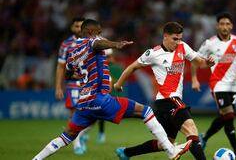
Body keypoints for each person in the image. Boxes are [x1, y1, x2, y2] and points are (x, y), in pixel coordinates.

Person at [33, 19, 192, 160]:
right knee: (146, 111)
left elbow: (68, 73)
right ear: (90, 32)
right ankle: (170, 150)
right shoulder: (91, 42)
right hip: (100, 99)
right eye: (99, 32)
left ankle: (37, 158)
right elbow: (97, 43)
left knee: (66, 137)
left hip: (83, 104)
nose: (101, 35)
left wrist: (82, 75)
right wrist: (115, 44)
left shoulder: (73, 51)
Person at [113, 21, 215, 160]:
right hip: (168, 100)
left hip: (166, 103)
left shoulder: (183, 47)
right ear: (165, 36)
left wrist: (207, 63)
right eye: (175, 39)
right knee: (191, 130)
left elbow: (200, 63)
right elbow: (133, 67)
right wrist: (119, 84)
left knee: (166, 143)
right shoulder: (153, 53)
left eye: (180, 39)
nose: (178, 42)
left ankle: (126, 153)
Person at [191, 12, 236, 159]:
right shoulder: (210, 43)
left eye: (227, 24)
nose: (225, 27)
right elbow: (195, 60)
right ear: (217, 26)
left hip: (233, 85)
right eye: (222, 24)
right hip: (217, 84)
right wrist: (194, 79)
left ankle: (204, 137)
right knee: (229, 115)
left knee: (225, 117)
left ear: (231, 26)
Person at [54, 17, 87, 154]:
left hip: (89, 83)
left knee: (90, 114)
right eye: (76, 26)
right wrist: (58, 87)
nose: (79, 29)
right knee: (74, 112)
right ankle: (77, 144)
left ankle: (81, 134)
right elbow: (61, 66)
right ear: (72, 28)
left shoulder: (92, 42)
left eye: (81, 26)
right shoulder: (66, 44)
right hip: (73, 84)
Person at [97, 48, 127, 144]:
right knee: (97, 116)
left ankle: (98, 134)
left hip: (115, 96)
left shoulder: (117, 68)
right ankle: (99, 134)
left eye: (109, 56)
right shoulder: (101, 68)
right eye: (107, 57)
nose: (108, 58)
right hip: (104, 96)